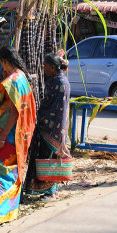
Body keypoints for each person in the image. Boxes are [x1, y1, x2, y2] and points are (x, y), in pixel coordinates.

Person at [0, 46, 36, 227]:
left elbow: (14, 112)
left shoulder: (11, 81)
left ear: (4, 61)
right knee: (11, 172)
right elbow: (14, 103)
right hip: (17, 137)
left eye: (2, 64)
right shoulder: (22, 77)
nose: (2, 68)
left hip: (7, 135)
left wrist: (1, 136)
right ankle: (9, 212)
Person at [25, 53, 72, 201]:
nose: (44, 69)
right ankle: (53, 190)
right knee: (52, 158)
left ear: (53, 67)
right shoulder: (62, 79)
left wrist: (39, 118)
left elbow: (50, 107)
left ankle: (50, 192)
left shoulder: (56, 82)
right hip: (59, 128)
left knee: (47, 159)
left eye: (45, 66)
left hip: (50, 128)